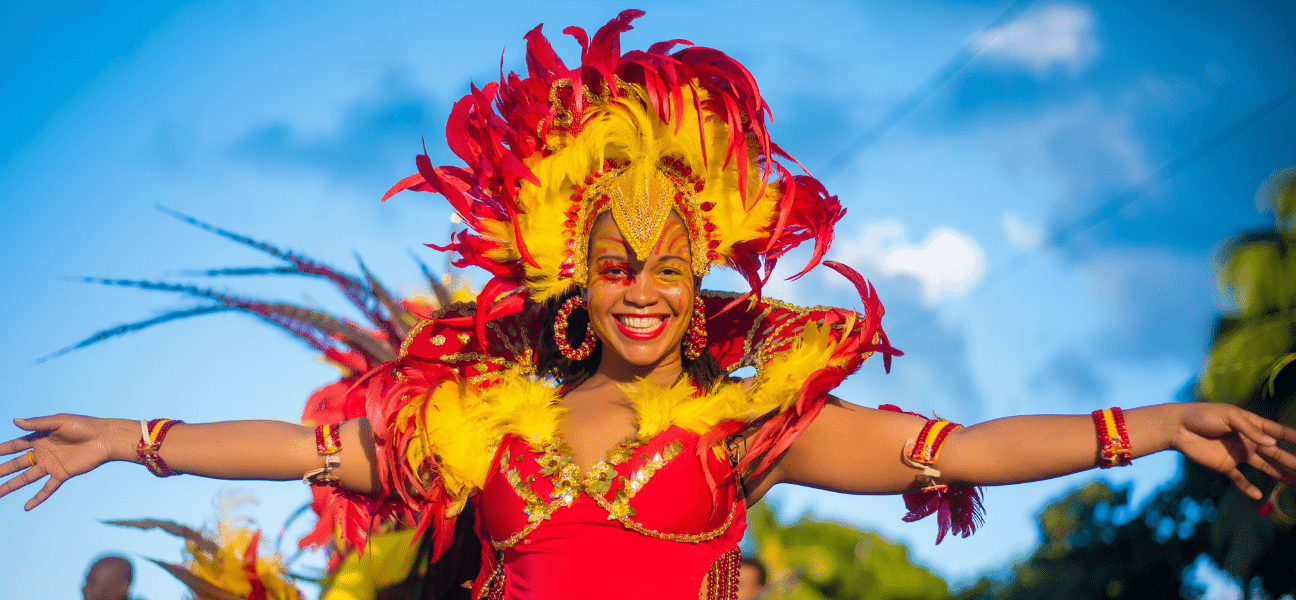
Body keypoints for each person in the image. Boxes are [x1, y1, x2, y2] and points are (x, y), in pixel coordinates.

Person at [3, 10, 1295, 600]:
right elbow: (308, 448)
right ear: (576, 267)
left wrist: (1160, 423)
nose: (642, 288)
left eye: (669, 266)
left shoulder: (742, 430)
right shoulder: (481, 424)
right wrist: (128, 439)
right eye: (617, 262)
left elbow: (950, 452)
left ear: (702, 278)